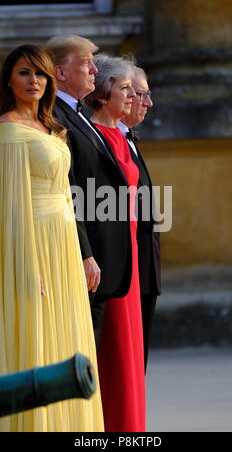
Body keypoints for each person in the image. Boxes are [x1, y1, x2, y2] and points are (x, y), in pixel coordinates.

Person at [0, 44, 104, 432]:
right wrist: (25, 264)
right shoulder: (7, 129)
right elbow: (10, 208)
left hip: (65, 244)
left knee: (68, 335)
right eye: (23, 72)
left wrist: (85, 255)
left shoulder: (52, 126)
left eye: (39, 73)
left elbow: (68, 197)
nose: (33, 80)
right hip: (33, 243)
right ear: (9, 80)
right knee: (37, 336)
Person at [45, 36, 133, 345]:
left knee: (89, 350)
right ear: (60, 72)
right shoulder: (54, 117)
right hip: (86, 254)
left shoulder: (78, 112)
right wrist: (84, 253)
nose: (94, 70)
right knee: (78, 350)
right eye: (85, 63)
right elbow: (65, 190)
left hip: (101, 256)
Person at [84, 53, 145, 432]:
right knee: (115, 352)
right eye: (125, 88)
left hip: (132, 254)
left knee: (131, 351)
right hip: (109, 253)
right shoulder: (94, 136)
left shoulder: (120, 136)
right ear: (103, 94)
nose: (134, 96)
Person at [118, 66, 161, 371]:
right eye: (142, 94)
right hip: (126, 270)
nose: (148, 102)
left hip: (144, 267)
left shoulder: (129, 137)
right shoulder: (110, 140)